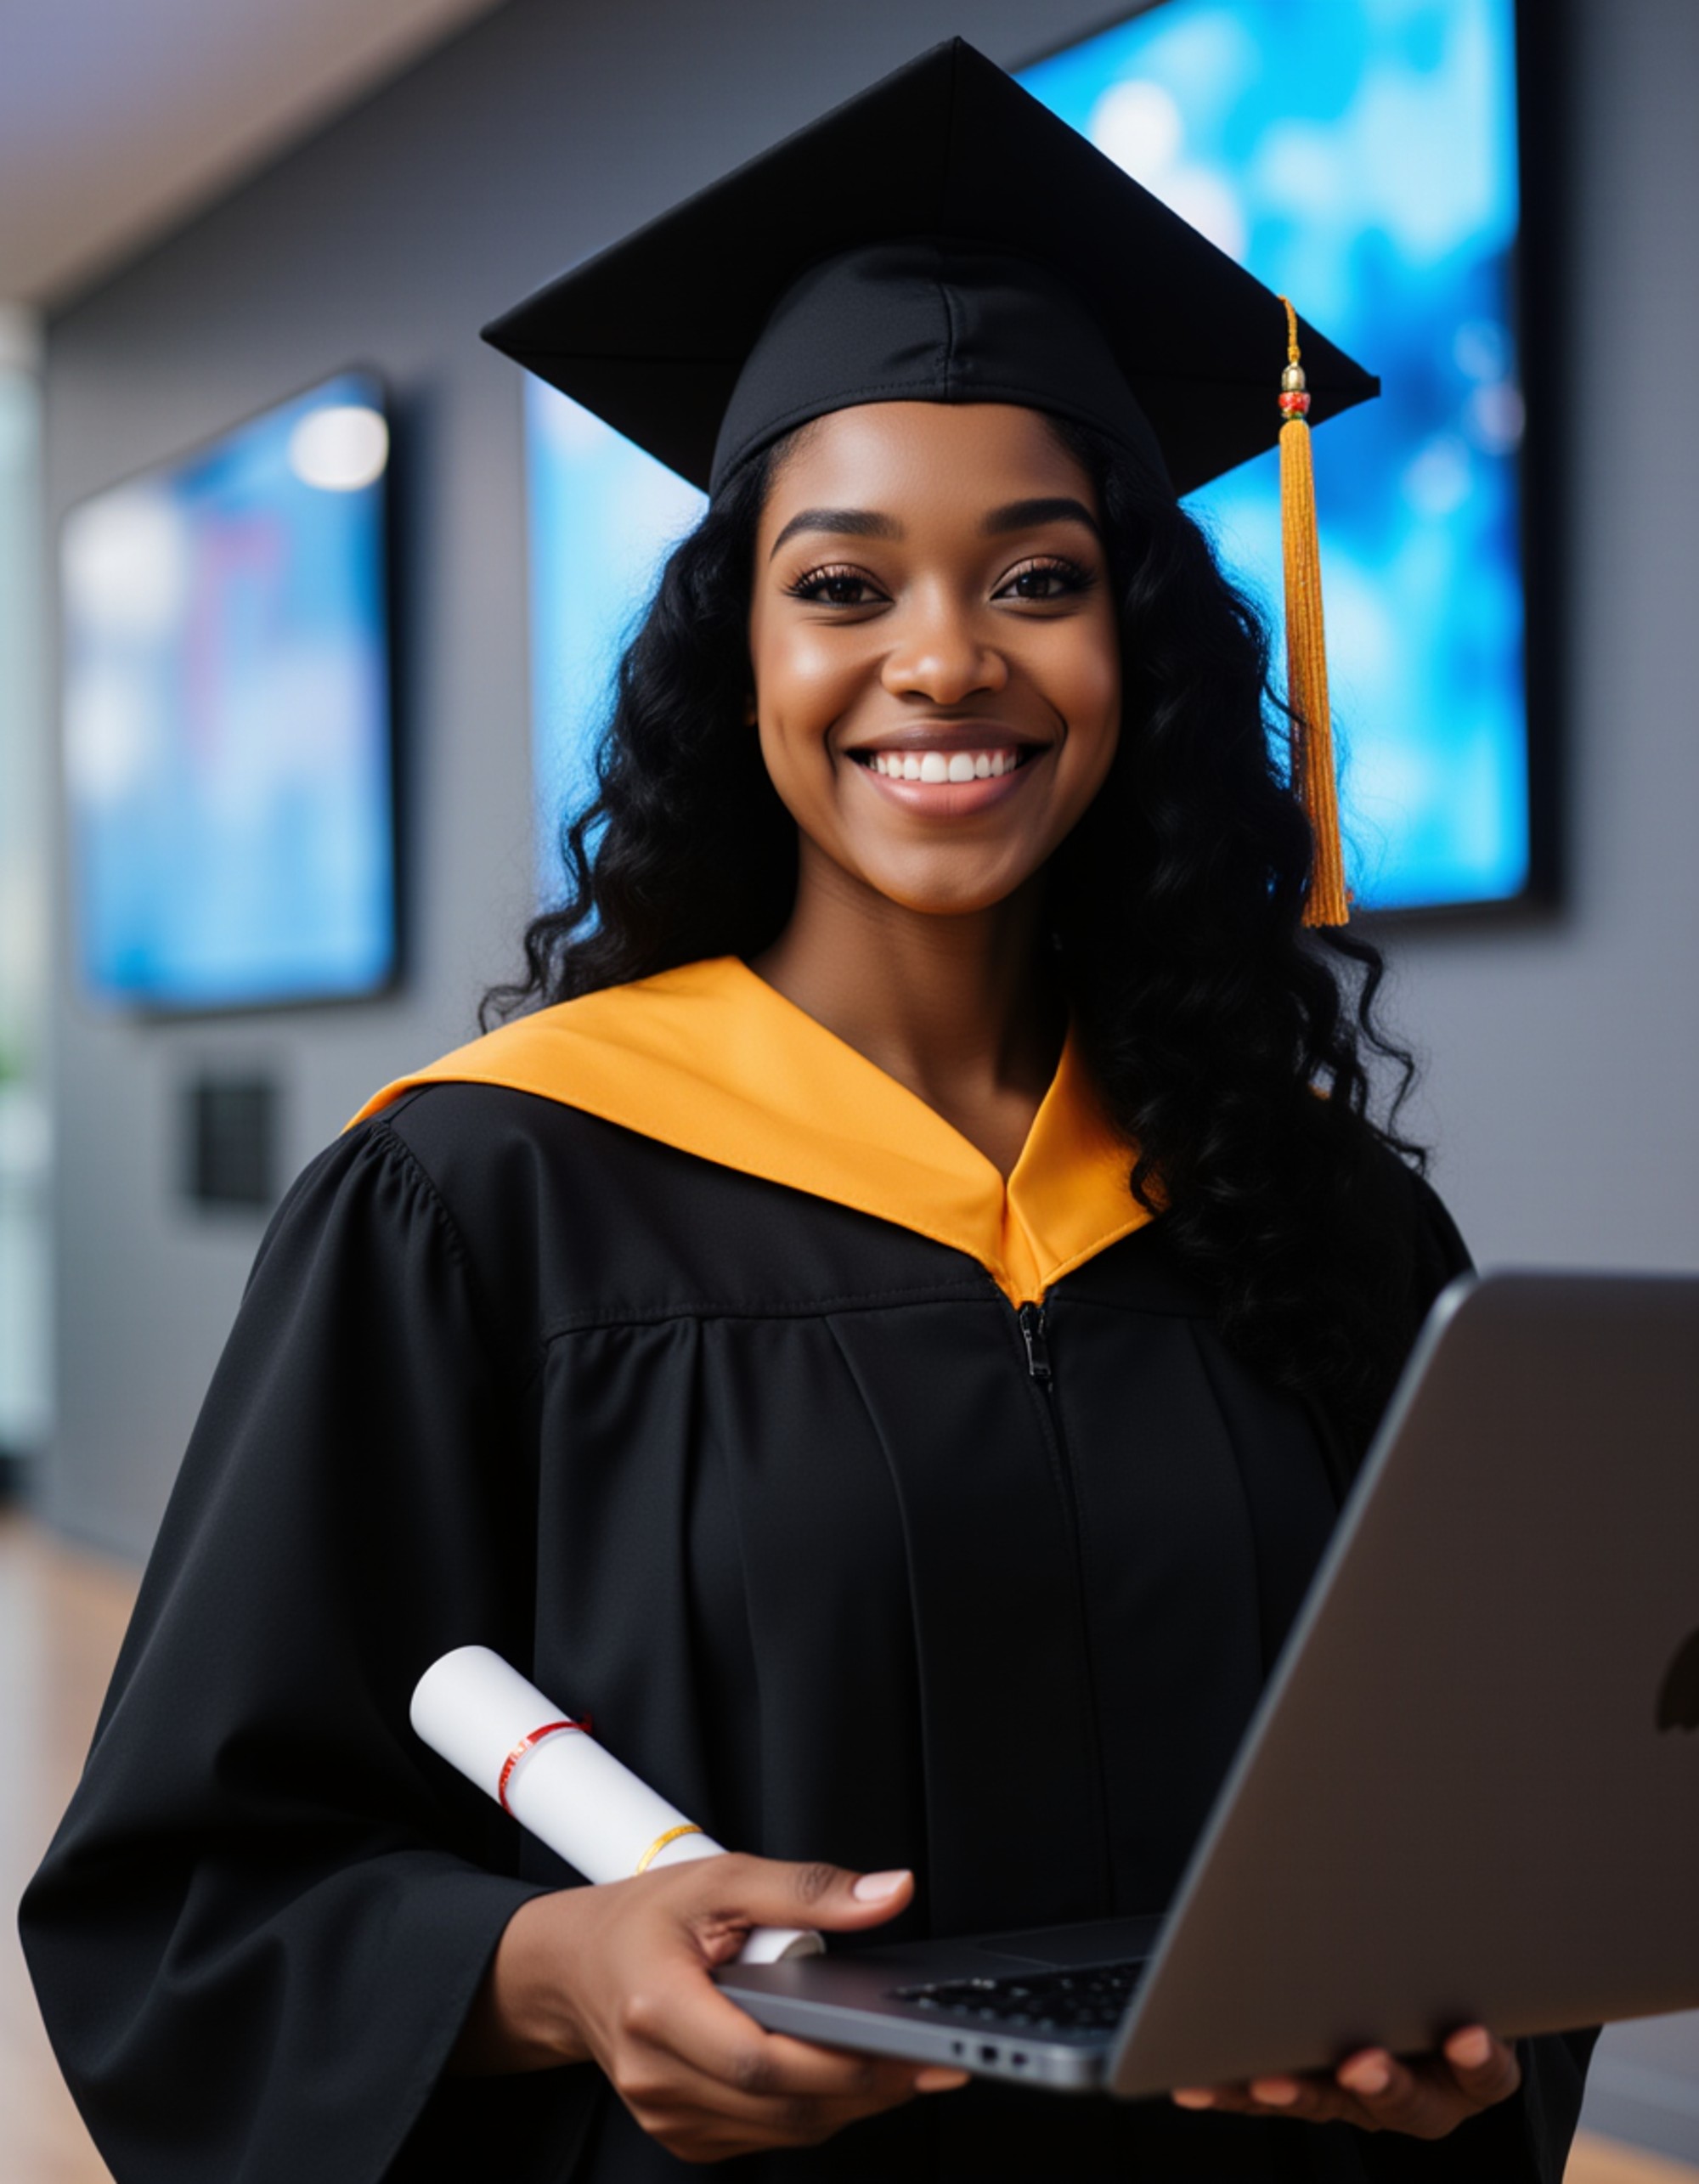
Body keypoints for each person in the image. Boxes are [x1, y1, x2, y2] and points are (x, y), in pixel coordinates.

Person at [21, 38, 1594, 2184]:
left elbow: (1484, 1824)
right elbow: (190, 1901)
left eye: (1036, 576)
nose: (943, 658)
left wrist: (1460, 2024)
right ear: (736, 651)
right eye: (843, 583)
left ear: (1132, 640)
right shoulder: (483, 1198)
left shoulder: (1314, 1216)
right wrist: (554, 1967)